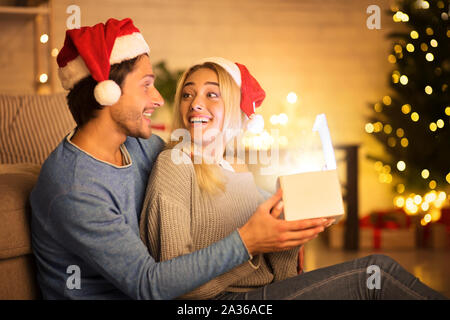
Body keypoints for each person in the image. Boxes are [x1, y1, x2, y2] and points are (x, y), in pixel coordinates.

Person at [30, 18, 329, 300]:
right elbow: (148, 285)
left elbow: (204, 169)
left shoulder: (135, 146)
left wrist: (283, 208)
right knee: (375, 273)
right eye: (146, 85)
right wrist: (248, 242)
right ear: (108, 92)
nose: (159, 99)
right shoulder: (75, 188)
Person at [140, 57, 447, 300]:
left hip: (260, 295)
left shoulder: (239, 170)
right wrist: (251, 243)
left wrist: (294, 235)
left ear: (236, 109)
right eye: (188, 94)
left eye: (212, 94)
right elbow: (175, 286)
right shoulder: (174, 164)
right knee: (376, 274)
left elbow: (280, 277)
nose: (195, 103)